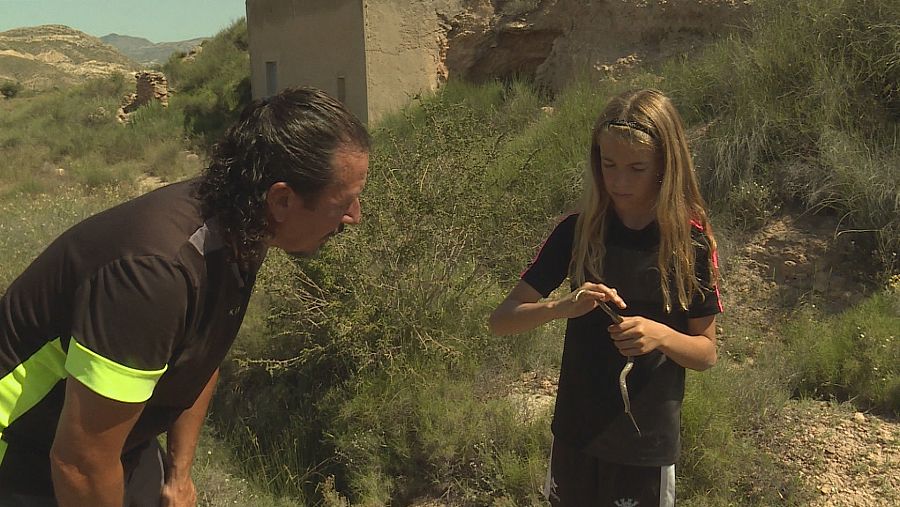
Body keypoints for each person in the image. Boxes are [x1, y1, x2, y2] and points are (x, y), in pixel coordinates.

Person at [0, 87, 370, 506]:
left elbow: (200, 354)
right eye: (344, 201)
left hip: (116, 440)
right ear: (281, 199)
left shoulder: (241, 229)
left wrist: (179, 474)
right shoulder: (157, 272)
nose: (354, 217)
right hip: (20, 451)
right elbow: (80, 462)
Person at [488, 88, 722, 506]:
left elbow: (705, 353)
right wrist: (563, 306)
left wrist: (659, 336)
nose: (618, 181)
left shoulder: (690, 245)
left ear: (665, 166)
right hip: (575, 437)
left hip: (645, 449)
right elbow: (501, 319)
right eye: (608, 164)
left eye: (636, 168)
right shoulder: (577, 233)